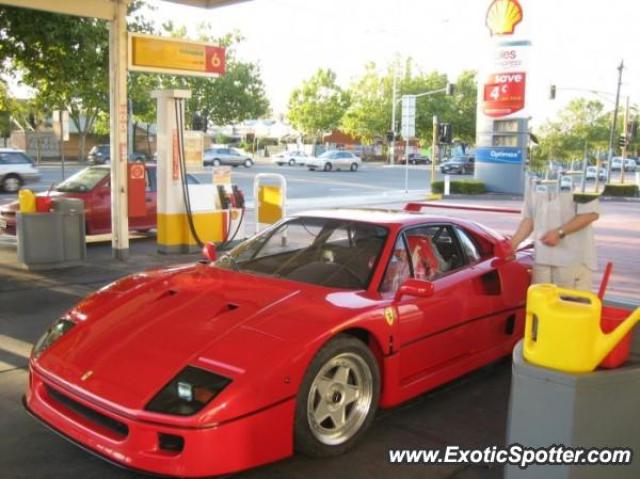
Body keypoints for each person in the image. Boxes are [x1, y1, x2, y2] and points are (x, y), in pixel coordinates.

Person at [510, 178, 600, 291]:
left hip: (572, 261)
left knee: (569, 306)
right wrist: (513, 244)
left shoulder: (581, 175)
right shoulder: (533, 178)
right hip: (542, 260)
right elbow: (529, 217)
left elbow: (590, 214)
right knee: (540, 306)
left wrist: (559, 232)